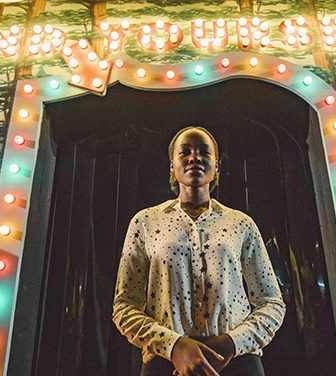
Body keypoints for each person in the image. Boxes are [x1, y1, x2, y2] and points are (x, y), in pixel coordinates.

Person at [112, 126, 286, 376]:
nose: (194, 157)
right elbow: (125, 306)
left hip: (238, 363)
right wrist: (174, 346)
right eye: (185, 152)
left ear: (217, 166)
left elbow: (272, 302)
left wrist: (231, 343)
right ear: (172, 166)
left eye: (204, 151)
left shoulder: (241, 224)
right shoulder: (145, 222)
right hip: (166, 363)